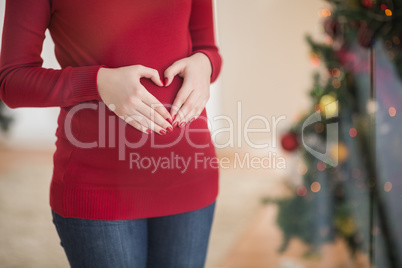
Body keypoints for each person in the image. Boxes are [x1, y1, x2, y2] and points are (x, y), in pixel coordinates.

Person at [0, 0, 222, 267]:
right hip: (99, 186)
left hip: (190, 170)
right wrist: (98, 82)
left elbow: (207, 49)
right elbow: (12, 80)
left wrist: (205, 63)